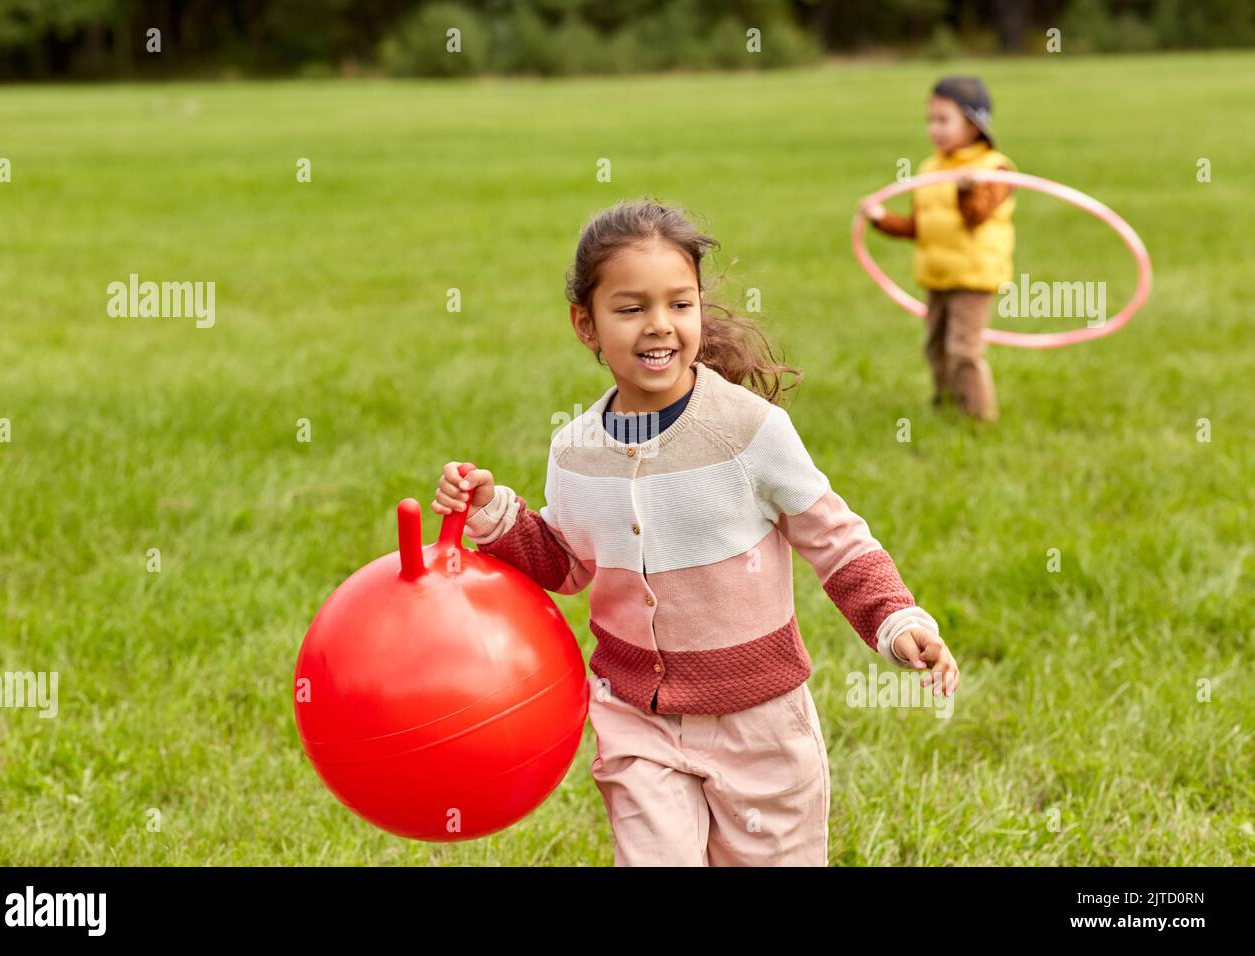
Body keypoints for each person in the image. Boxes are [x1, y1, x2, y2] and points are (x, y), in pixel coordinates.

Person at [433, 198, 959, 866]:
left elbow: (836, 539)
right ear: (584, 325)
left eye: (680, 305)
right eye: (630, 309)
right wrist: (491, 513)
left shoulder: (750, 433)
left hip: (760, 725)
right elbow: (565, 564)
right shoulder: (575, 450)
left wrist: (894, 617)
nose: (660, 326)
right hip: (636, 720)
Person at [862, 75, 1016, 422]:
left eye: (944, 120)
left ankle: (979, 418)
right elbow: (920, 226)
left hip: (973, 278)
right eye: (930, 120)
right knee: (935, 348)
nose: (934, 128)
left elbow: (976, 217)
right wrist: (880, 218)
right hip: (937, 276)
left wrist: (965, 190)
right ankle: (946, 406)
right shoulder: (931, 169)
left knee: (964, 350)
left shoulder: (995, 169)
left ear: (975, 124)